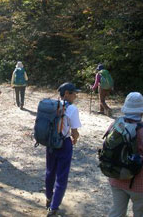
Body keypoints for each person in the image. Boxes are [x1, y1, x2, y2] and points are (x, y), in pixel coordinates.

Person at [45, 82, 82, 216]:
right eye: (74, 93)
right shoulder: (72, 109)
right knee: (62, 176)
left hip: (50, 143)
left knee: (50, 171)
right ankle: (54, 207)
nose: (75, 96)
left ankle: (48, 198)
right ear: (67, 93)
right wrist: (75, 139)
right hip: (64, 144)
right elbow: (74, 131)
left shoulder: (51, 105)